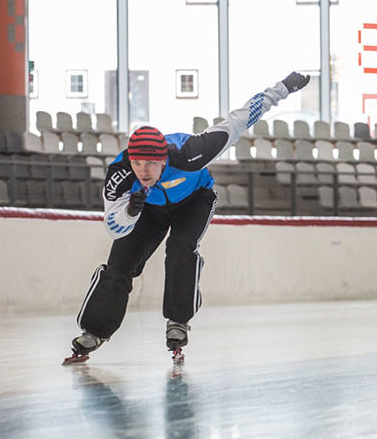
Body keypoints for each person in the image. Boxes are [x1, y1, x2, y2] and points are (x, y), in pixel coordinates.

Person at [63, 71, 311, 365]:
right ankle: (94, 330)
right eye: (138, 163)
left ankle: (178, 320)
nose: (144, 171)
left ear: (165, 160)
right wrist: (131, 210)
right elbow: (112, 226)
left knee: (181, 248)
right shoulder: (119, 175)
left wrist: (283, 88)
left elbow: (243, 117)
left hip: (194, 201)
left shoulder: (194, 154)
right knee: (120, 265)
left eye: (152, 164)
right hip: (147, 210)